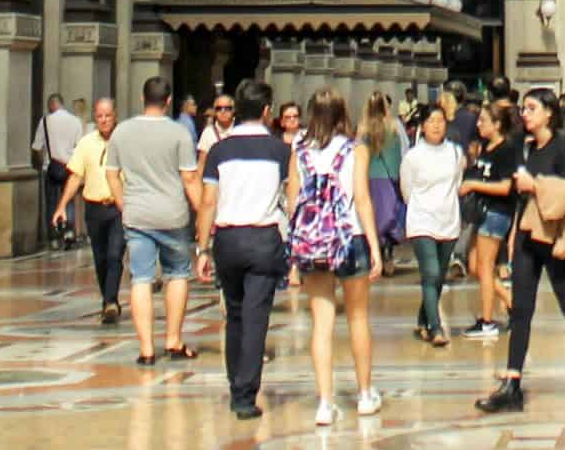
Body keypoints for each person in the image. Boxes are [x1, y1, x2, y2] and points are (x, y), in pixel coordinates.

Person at [476, 87, 565, 412]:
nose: (525, 114)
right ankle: (512, 382)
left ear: (549, 112)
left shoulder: (563, 150)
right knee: (521, 309)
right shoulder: (523, 147)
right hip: (525, 234)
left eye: (532, 108)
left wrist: (535, 185)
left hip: (555, 235)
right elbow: (517, 192)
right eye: (524, 108)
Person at [290, 89, 384, 424]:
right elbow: (362, 198)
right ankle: (364, 393)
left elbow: (292, 200)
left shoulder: (299, 150)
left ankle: (325, 403)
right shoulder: (355, 148)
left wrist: (294, 251)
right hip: (351, 238)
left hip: (314, 243)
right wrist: (375, 245)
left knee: (321, 324)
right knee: (358, 318)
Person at [198, 79, 289, 420]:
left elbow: (208, 202)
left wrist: (202, 249)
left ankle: (236, 384)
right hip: (264, 239)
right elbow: (291, 200)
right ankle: (245, 395)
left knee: (234, 315)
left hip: (228, 240)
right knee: (256, 317)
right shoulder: (281, 151)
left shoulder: (219, 151)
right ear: (267, 112)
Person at [112, 75, 204, 364]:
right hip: (172, 214)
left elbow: (111, 173)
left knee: (141, 278)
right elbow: (189, 178)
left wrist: (123, 204)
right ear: (167, 102)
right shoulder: (179, 133)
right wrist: (203, 212)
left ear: (142, 99)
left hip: (137, 214)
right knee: (176, 274)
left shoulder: (122, 132)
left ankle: (146, 349)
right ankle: (174, 340)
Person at [55, 97, 125, 319]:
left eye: (108, 115)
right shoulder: (86, 143)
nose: (104, 120)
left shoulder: (124, 141)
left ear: (115, 116)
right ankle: (107, 297)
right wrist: (61, 206)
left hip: (118, 207)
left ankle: (111, 301)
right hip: (94, 208)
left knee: (115, 254)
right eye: (100, 116)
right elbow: (76, 177)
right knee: (101, 257)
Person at [402, 102, 465, 347]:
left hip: (448, 219)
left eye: (440, 121)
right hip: (421, 220)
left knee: (438, 276)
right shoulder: (413, 157)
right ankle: (436, 327)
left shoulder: (455, 153)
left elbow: (457, 183)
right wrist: (421, 207)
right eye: (431, 121)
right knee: (431, 273)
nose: (436, 126)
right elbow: (407, 190)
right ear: (422, 126)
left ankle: (422, 318)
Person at [460, 98, 521, 336]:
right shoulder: (487, 147)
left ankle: (487, 321)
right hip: (483, 210)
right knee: (475, 265)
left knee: (485, 267)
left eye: (484, 120)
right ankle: (511, 301)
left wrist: (474, 184)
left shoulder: (507, 150)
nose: (479, 125)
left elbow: (506, 187)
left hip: (497, 212)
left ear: (497, 124)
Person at [362, 93, 406, 276]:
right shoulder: (393, 128)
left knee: (375, 217)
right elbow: (397, 154)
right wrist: (398, 177)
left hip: (370, 179)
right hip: (387, 179)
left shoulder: (363, 131)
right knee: (390, 215)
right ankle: (386, 252)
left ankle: (378, 251)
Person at [35, 93, 84, 247]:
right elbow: (80, 147)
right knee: (68, 198)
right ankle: (68, 231)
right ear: (62, 104)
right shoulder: (75, 121)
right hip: (70, 166)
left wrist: (43, 162)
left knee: (51, 202)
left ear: (51, 105)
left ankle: (54, 237)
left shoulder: (44, 121)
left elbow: (37, 147)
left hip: (51, 167)